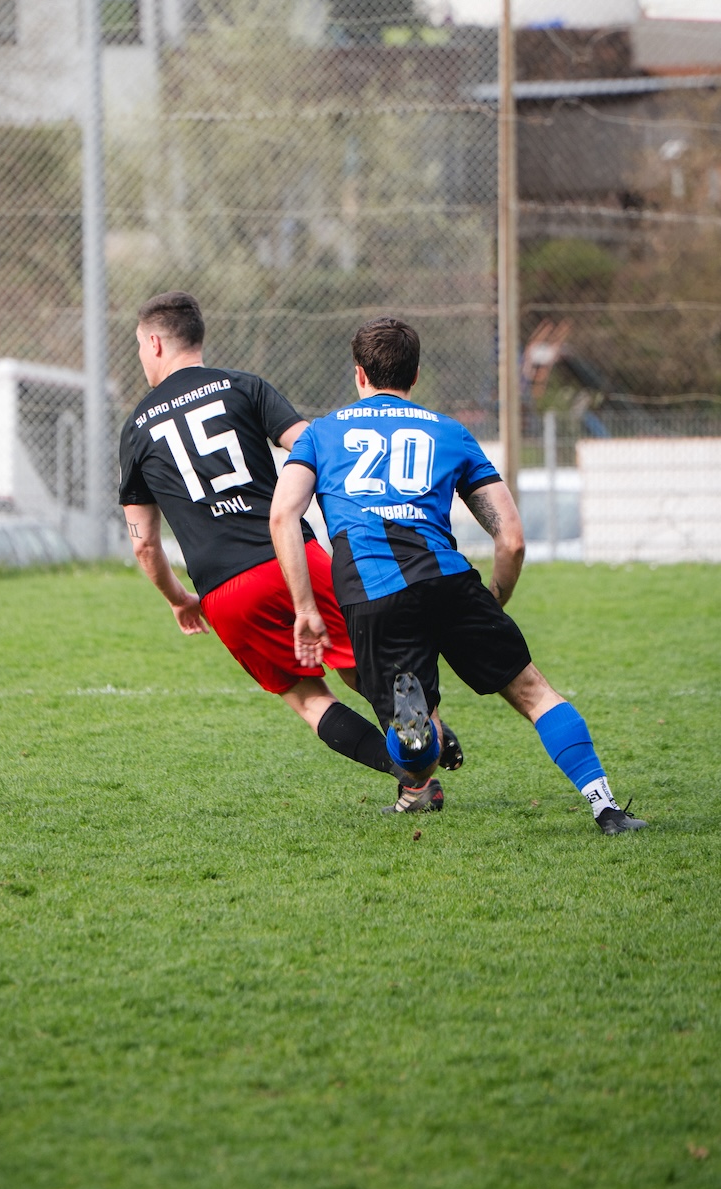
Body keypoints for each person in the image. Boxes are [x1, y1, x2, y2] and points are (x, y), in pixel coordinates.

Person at [269, 314, 648, 835]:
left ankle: (419, 734)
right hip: (449, 580)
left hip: (373, 590)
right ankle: (607, 808)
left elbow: (283, 516)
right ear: (415, 374)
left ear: (359, 374)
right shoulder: (449, 431)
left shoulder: (320, 434)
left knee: (417, 753)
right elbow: (511, 538)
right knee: (535, 692)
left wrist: (306, 608)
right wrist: (492, 598)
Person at [118, 290, 462, 811]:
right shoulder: (243, 387)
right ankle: (426, 731)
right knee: (365, 659)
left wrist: (178, 598)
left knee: (307, 698)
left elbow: (144, 544)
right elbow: (313, 444)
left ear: (154, 342)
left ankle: (414, 783)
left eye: (140, 347)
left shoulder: (137, 428)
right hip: (293, 557)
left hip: (224, 590)